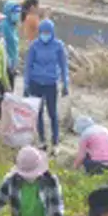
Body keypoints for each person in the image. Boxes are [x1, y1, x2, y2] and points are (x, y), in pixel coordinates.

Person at [23, 18, 70, 146]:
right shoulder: (34, 46)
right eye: (43, 32)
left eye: (47, 32)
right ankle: (42, 140)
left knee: (52, 113)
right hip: (36, 82)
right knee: (38, 112)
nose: (45, 35)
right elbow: (28, 66)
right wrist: (26, 84)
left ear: (52, 32)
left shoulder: (58, 46)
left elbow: (63, 66)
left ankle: (55, 142)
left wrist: (65, 84)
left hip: (50, 83)